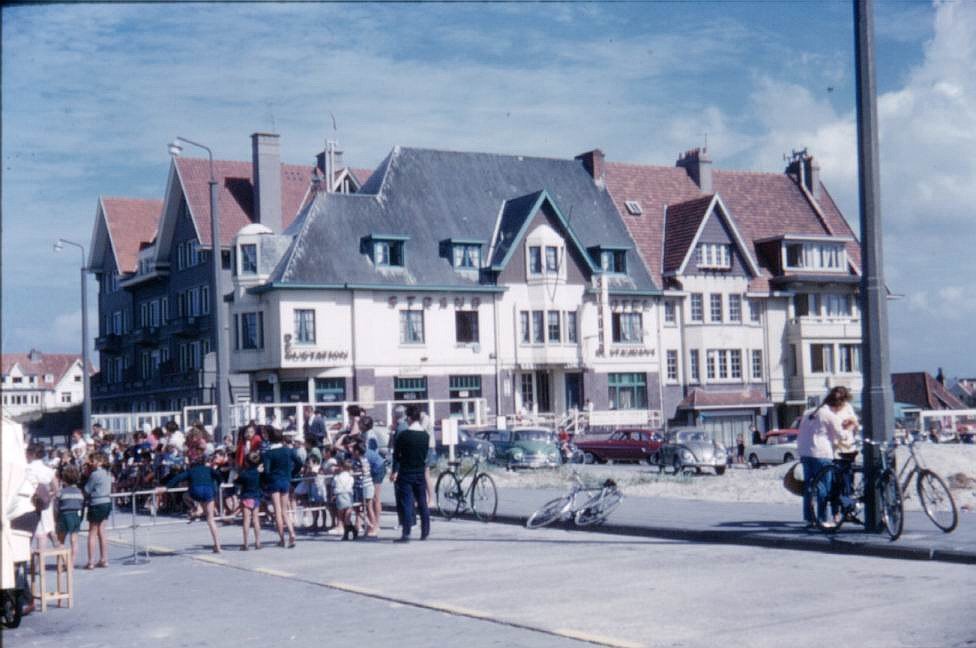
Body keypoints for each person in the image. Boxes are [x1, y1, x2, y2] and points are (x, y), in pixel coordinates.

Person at [797, 386, 850, 528]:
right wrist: (849, 429)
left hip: (805, 452)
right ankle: (821, 518)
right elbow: (841, 435)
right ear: (838, 404)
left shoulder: (808, 412)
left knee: (809, 485)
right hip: (821, 453)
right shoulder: (829, 415)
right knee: (823, 487)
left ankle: (809, 518)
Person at [161, 455, 223, 553]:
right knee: (211, 519)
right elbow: (218, 475)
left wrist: (166, 487)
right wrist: (219, 484)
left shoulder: (191, 471)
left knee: (185, 496)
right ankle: (218, 546)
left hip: (195, 491)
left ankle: (194, 510)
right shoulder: (209, 469)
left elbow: (178, 478)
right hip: (208, 491)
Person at [390, 405, 430, 543]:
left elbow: (397, 455)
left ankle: (406, 533)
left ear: (409, 418)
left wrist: (394, 470)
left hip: (406, 472)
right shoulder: (425, 435)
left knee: (407, 503)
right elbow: (425, 454)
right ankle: (425, 531)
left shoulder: (404, 435)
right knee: (422, 501)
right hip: (419, 471)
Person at [262, 426, 302, 548]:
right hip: (285, 480)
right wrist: (293, 472)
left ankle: (281, 539)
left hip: (274, 481)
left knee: (277, 511)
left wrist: (265, 480)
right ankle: (292, 533)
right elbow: (299, 462)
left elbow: (267, 471)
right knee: (285, 510)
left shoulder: (268, 453)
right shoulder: (288, 451)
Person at [83, 452, 113, 569]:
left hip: (96, 502)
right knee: (102, 531)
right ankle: (104, 559)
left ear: (99, 462)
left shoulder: (95, 474)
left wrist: (86, 474)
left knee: (92, 532)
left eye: (93, 461)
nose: (91, 463)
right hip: (106, 502)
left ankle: (91, 561)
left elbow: (87, 490)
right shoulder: (107, 473)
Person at [56, 464, 84, 566]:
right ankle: (71, 563)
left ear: (64, 479)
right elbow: (81, 504)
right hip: (76, 515)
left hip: (64, 515)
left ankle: (62, 561)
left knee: (60, 541)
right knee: (74, 540)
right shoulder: (79, 492)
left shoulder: (61, 492)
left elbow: (57, 506)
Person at [235, 451, 263, 550]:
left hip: (246, 497)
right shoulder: (258, 473)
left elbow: (236, 481)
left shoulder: (244, 474)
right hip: (256, 497)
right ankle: (258, 543)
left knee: (246, 520)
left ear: (246, 462)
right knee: (256, 520)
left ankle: (246, 543)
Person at [333, 461, 357, 540]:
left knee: (341, 517)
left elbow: (334, 486)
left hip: (340, 496)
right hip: (348, 496)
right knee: (347, 516)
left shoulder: (337, 477)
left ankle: (347, 533)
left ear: (342, 468)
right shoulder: (351, 478)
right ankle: (352, 530)